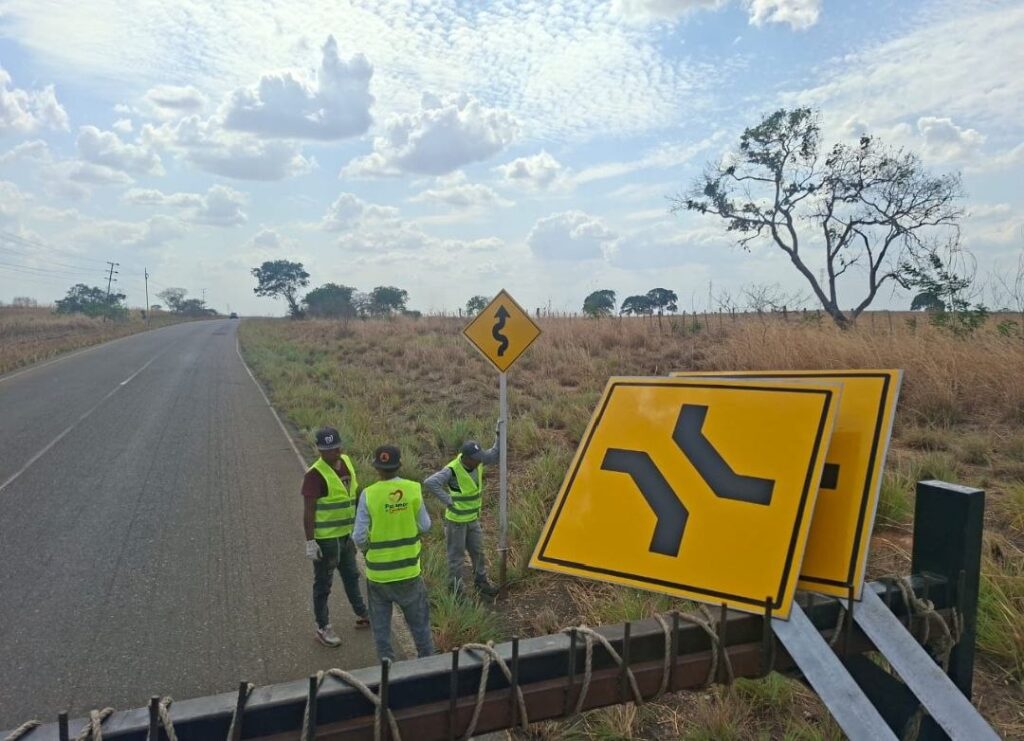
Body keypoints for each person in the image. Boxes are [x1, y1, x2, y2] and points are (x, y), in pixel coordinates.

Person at [353, 444, 435, 662]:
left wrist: (369, 550)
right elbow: (425, 525)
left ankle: (387, 668)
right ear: (399, 465)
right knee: (420, 627)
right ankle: (429, 666)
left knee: (381, 630)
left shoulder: (368, 494)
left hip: (378, 575)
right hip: (408, 572)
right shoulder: (413, 489)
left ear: (376, 467)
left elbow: (359, 536)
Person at [302, 427, 369, 647]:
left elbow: (353, 494)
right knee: (323, 584)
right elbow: (309, 511)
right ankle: (323, 627)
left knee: (352, 575)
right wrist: (310, 542)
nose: (333, 453)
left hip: (346, 535)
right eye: (327, 450)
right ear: (319, 450)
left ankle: (362, 613)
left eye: (336, 448)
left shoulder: (346, 462)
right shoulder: (314, 475)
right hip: (327, 540)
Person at [423, 420, 502, 596]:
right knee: (456, 558)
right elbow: (430, 483)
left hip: (472, 519)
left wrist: (499, 433)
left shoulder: (478, 462)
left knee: (478, 553)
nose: (480, 461)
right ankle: (456, 592)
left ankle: (481, 584)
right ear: (466, 458)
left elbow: (495, 455)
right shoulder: (452, 470)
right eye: (476, 459)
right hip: (456, 522)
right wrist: (448, 500)